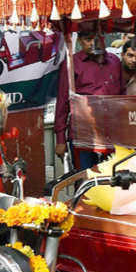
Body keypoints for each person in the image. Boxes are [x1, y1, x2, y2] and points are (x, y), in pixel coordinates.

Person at [55, 30, 122, 169]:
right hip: (82, 135)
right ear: (79, 41)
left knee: (113, 179)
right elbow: (62, 103)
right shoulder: (71, 64)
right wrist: (60, 139)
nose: (93, 43)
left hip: (112, 134)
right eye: (88, 39)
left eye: (97, 38)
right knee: (84, 179)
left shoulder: (115, 61)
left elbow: (122, 96)